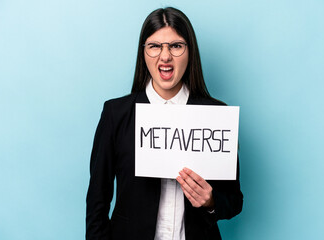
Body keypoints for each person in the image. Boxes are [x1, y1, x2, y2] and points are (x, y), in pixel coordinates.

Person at [86, 7, 243, 240]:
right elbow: (97, 200)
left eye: (176, 46)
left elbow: (234, 201)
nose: (165, 55)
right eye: (155, 46)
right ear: (144, 52)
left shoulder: (216, 116)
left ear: (190, 52)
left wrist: (210, 201)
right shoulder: (116, 114)